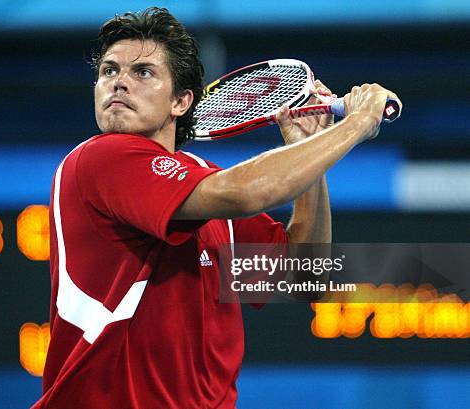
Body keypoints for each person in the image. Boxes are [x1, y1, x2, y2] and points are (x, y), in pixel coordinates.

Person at [32, 7, 401, 409]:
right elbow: (246, 193)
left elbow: (302, 278)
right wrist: (358, 123)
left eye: (143, 73)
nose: (119, 83)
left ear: (181, 101)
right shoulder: (100, 160)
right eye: (108, 71)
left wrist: (304, 150)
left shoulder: (202, 184)